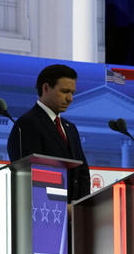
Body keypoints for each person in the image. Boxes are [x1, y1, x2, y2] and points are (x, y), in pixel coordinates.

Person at [7, 63, 91, 201]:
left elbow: (82, 173)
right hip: (46, 211)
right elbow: (29, 175)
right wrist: (62, 207)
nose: (70, 98)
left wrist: (81, 205)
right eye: (64, 91)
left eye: (72, 93)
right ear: (46, 88)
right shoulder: (27, 124)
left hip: (74, 216)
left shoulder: (70, 128)